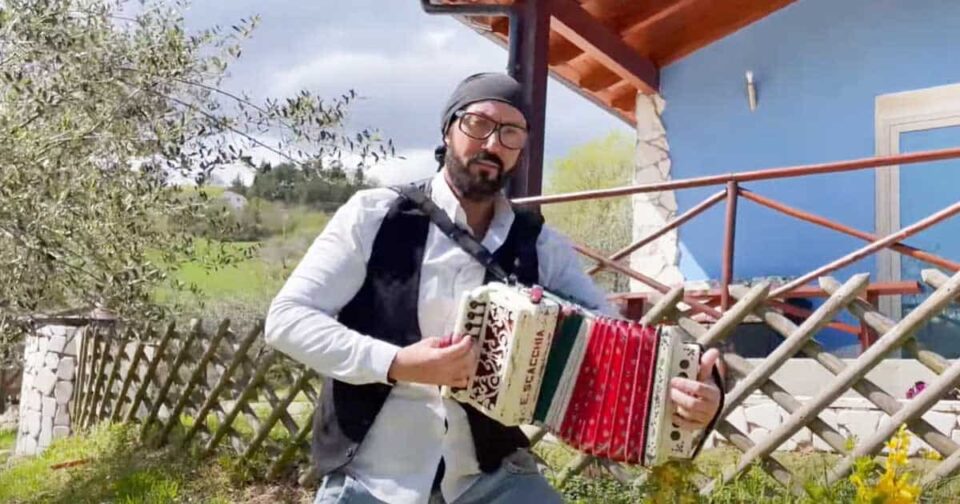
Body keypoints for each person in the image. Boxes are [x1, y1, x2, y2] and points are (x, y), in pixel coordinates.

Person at [264, 72, 724, 504]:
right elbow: (287, 320)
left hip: (488, 476)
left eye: (510, 133)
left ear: (521, 150)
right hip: (374, 476)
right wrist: (398, 363)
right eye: (477, 124)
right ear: (448, 132)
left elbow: (615, 335)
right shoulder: (376, 216)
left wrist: (687, 392)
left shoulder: (538, 242)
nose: (491, 143)